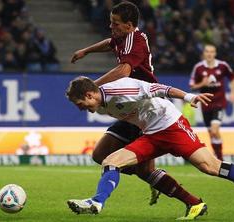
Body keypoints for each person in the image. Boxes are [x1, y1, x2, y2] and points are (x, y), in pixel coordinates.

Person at [65, 76, 234, 222]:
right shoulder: (102, 102)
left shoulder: (121, 90)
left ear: (89, 95)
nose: (82, 109)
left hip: (172, 126)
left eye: (81, 104)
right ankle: (97, 202)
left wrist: (188, 96)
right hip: (151, 135)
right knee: (110, 160)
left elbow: (158, 88)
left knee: (212, 167)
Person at [70, 1, 204, 214]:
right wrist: (86, 51)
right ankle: (157, 178)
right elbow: (110, 42)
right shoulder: (122, 37)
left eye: (115, 23)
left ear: (129, 25)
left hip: (144, 106)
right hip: (127, 108)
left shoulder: (136, 40)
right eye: (110, 22)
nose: (111, 27)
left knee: (127, 165)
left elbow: (124, 71)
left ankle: (187, 198)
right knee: (101, 155)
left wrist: (94, 87)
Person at [189, 44, 234, 160]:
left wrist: (233, 92)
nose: (209, 54)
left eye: (212, 52)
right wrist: (202, 84)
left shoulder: (222, 65)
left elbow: (232, 77)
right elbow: (192, 86)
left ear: (215, 53)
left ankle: (220, 159)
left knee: (215, 130)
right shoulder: (199, 68)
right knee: (211, 133)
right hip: (206, 104)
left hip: (219, 102)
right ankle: (218, 157)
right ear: (204, 53)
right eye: (207, 52)